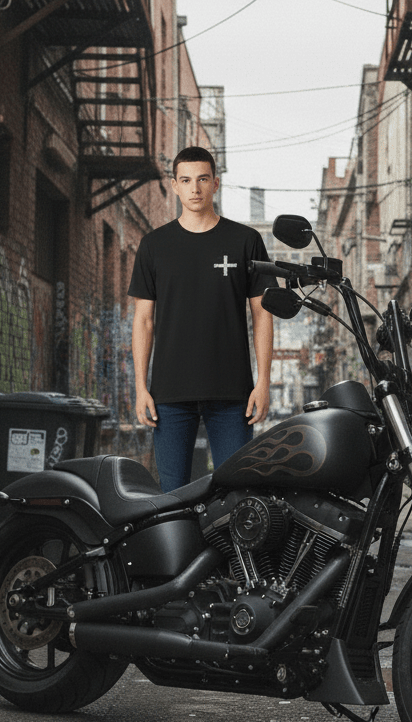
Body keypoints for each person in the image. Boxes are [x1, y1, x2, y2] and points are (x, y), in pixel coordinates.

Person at [129, 146, 277, 492]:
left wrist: (263, 381)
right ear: (174, 186)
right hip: (169, 392)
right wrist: (140, 387)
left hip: (231, 392)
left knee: (236, 494)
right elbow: (143, 321)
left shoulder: (245, 241)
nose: (194, 188)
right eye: (185, 180)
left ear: (216, 184)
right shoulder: (154, 245)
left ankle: (230, 550)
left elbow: (262, 314)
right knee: (172, 495)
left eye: (202, 179)